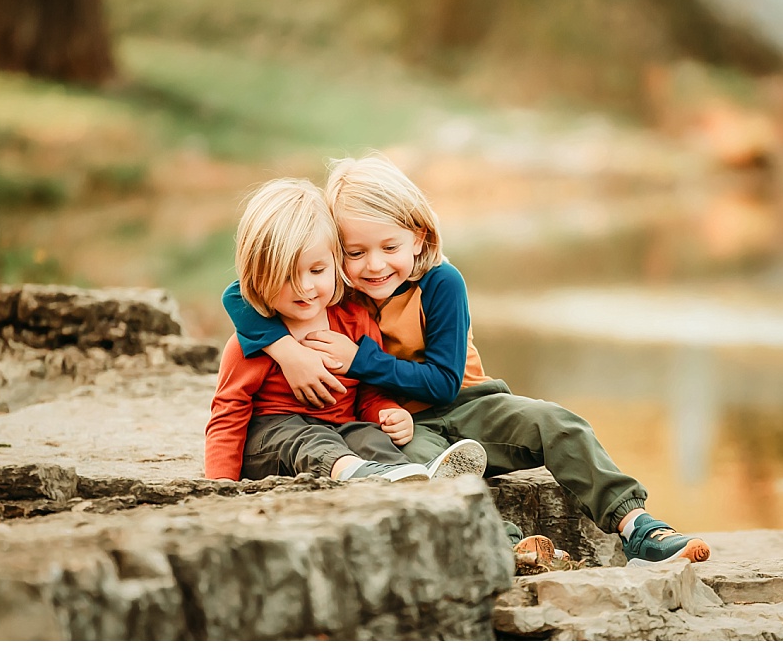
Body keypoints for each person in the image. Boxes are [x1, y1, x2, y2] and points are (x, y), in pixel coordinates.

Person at [222, 155, 710, 567]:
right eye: (355, 251)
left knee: (557, 422)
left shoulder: (441, 283)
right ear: (335, 251)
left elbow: (441, 382)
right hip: (404, 426)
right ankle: (508, 544)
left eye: (390, 247)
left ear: (419, 236)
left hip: (466, 402)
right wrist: (286, 352)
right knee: (420, 468)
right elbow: (239, 293)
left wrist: (358, 359)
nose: (374, 265)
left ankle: (636, 524)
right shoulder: (334, 286)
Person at [204, 176, 486, 484]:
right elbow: (227, 414)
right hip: (274, 439)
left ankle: (403, 477)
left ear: (336, 261)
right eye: (286, 276)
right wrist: (220, 485)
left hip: (341, 430)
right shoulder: (253, 341)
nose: (305, 287)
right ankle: (355, 472)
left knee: (370, 437)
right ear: (258, 275)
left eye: (317, 270)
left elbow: (368, 394)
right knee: (310, 441)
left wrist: (388, 413)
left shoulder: (354, 322)